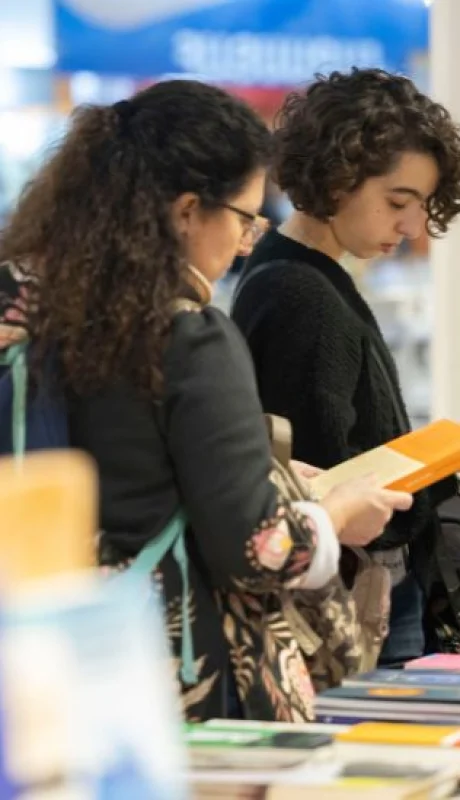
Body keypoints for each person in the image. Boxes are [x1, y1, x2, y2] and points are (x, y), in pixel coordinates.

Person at [0, 79, 412, 721]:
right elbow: (258, 549)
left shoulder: (34, 320)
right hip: (175, 678)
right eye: (245, 219)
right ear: (188, 211)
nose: (246, 241)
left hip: (45, 663)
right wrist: (332, 516)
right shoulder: (186, 336)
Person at [231, 68, 460, 667]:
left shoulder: (305, 275)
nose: (411, 228)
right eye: (397, 203)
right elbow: (320, 474)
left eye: (421, 206)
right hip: (355, 596)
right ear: (337, 178)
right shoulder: (300, 293)